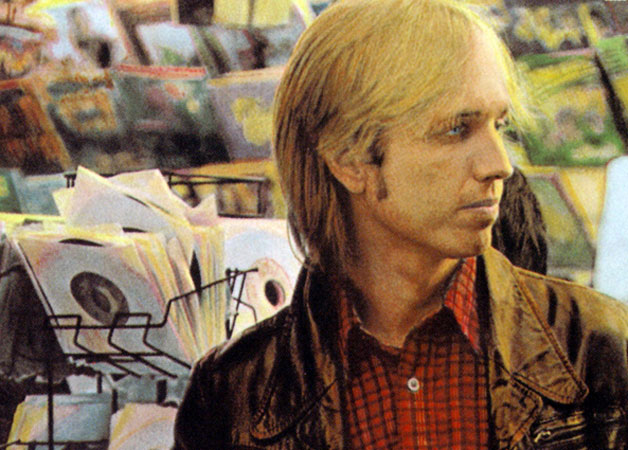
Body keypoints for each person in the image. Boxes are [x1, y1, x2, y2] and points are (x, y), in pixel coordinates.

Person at [174, 0, 628, 448]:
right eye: (456, 129)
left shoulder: (598, 346)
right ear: (349, 159)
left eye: (500, 125)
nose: (500, 165)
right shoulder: (232, 396)